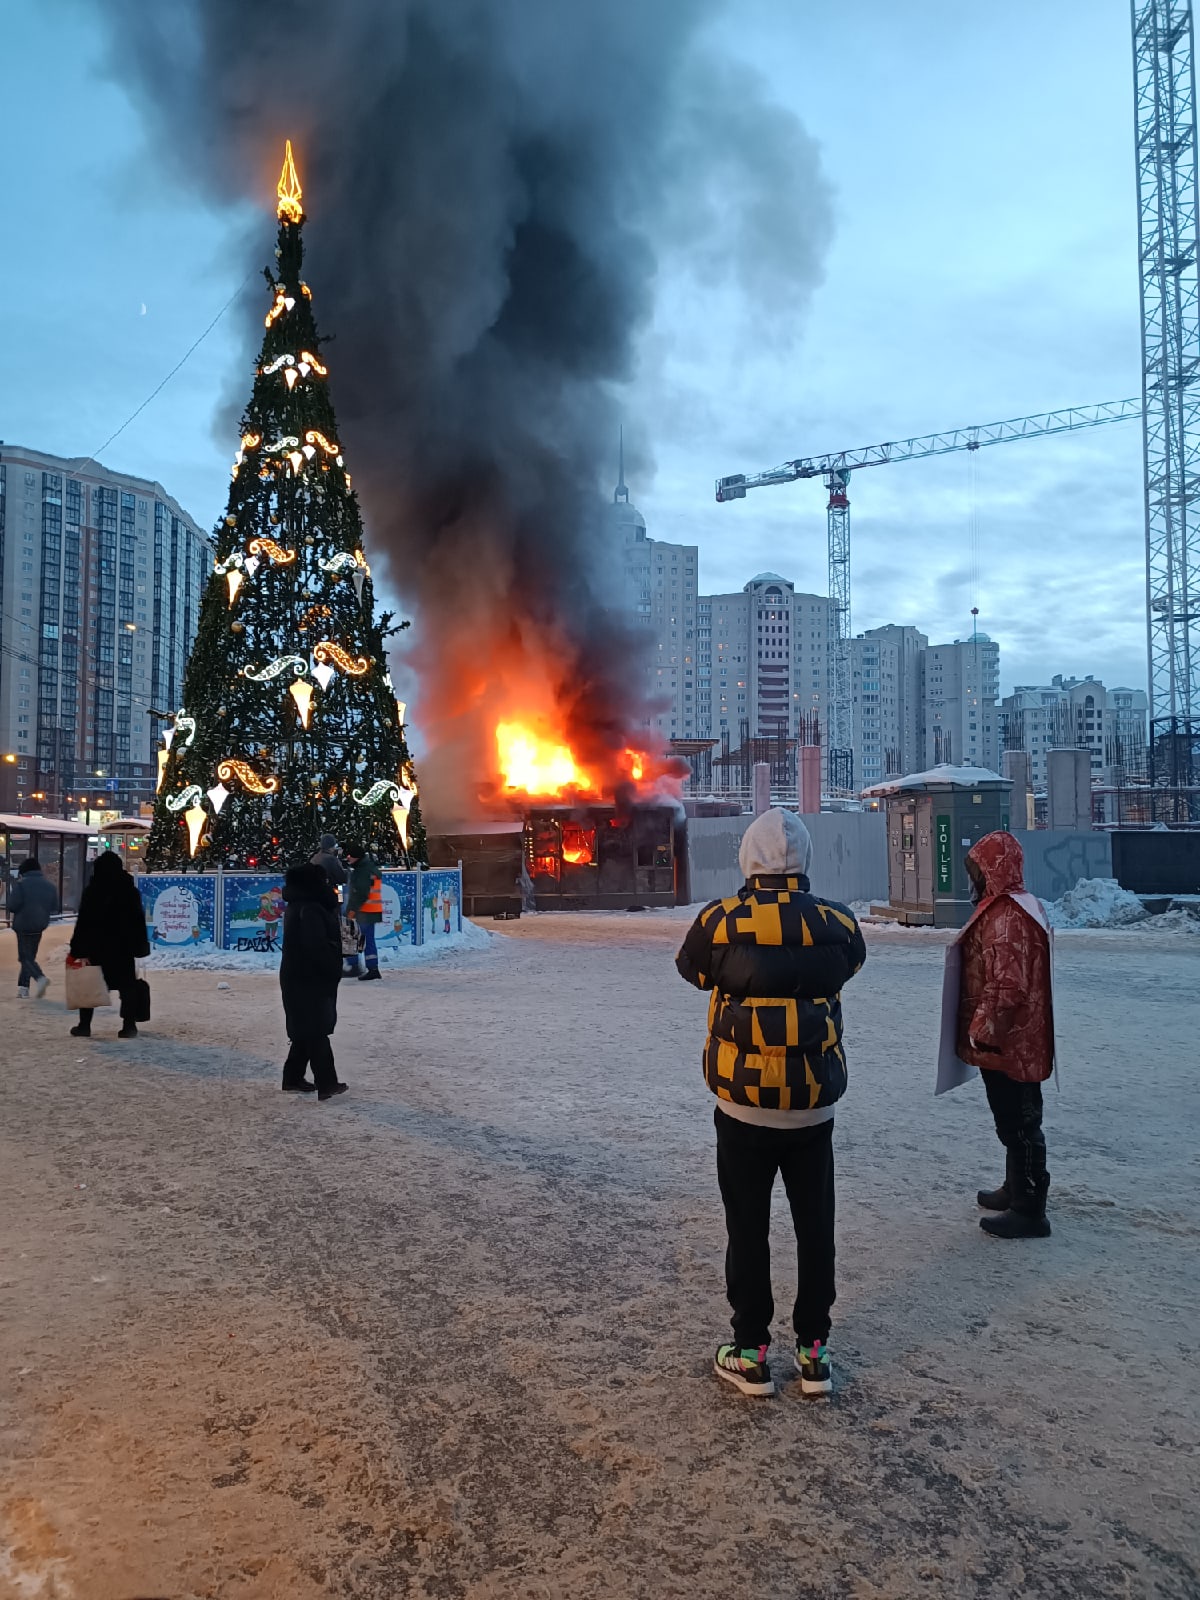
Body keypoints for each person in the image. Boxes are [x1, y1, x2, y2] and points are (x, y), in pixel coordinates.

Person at [676, 808, 866, 1400]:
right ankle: (814, 1352)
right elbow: (851, 963)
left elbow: (692, 971)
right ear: (804, 859)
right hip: (812, 1108)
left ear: (747, 859)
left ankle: (751, 1350)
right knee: (816, 1226)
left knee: (747, 1225)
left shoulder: (720, 922)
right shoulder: (836, 924)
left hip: (743, 1107)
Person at [955, 831, 1054, 1239]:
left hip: (1010, 1039)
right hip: (1017, 1037)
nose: (974, 879)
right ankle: (1016, 1187)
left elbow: (1007, 986)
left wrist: (983, 1030)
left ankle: (1030, 1208)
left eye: (978, 870)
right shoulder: (1012, 908)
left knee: (1021, 1123)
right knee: (1014, 1118)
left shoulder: (1006, 917)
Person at [279, 862, 347, 1101]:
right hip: (309, 976)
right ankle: (326, 1083)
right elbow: (316, 946)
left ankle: (293, 1077)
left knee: (305, 1029)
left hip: (298, 975)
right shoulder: (310, 909)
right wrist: (332, 965)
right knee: (316, 1030)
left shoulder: (300, 906)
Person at [68, 852, 150, 1039]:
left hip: (96, 947)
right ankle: (129, 1026)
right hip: (123, 947)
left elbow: (84, 922)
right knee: (127, 986)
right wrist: (140, 947)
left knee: (91, 983)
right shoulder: (129, 891)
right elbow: (137, 921)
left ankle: (84, 1025)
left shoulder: (93, 891)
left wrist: (77, 948)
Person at [10, 858, 59, 999]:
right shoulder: (49, 886)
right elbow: (55, 907)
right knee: (29, 957)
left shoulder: (21, 885)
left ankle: (40, 978)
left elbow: (13, 906)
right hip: (39, 925)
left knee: (25, 958)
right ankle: (23, 988)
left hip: (23, 925)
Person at [344, 842, 383, 981]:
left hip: (364, 911)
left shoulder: (362, 871)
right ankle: (372, 968)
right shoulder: (368, 868)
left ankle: (354, 966)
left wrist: (352, 910)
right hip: (371, 910)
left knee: (351, 936)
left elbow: (360, 893)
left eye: (350, 856)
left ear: (357, 857)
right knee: (366, 939)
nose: (348, 858)